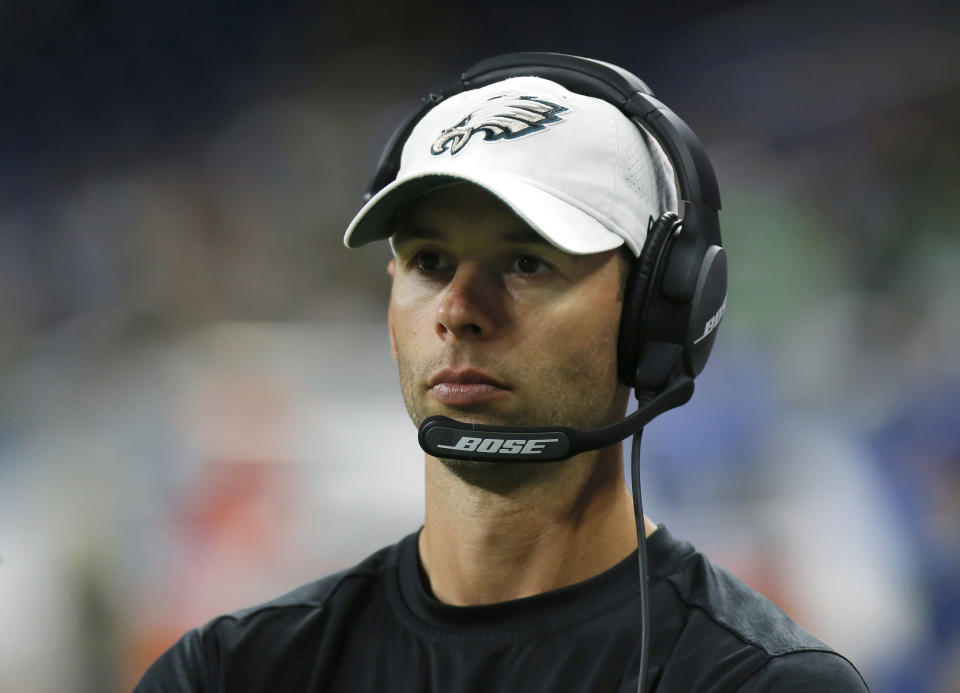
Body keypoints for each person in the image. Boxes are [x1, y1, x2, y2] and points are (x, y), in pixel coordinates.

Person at [135, 54, 869, 692]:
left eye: (526, 262)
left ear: (658, 311)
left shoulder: (763, 683)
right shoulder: (230, 671)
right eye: (429, 262)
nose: (458, 310)